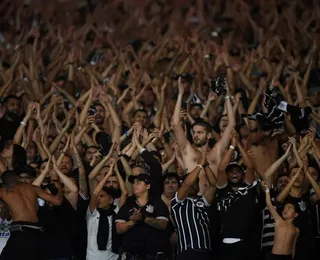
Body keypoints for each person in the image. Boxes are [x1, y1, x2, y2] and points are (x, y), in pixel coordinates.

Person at [0, 170, 63, 260]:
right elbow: (58, 201)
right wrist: (59, 189)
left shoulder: (3, 191)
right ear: (18, 178)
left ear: (3, 182)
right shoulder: (33, 188)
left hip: (20, 234)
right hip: (37, 233)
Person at [171, 152, 216, 260]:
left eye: (195, 182)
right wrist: (199, 165)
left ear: (198, 186)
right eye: (191, 182)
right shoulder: (177, 202)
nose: (192, 185)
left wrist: (206, 166)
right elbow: (187, 184)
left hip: (206, 252)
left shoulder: (203, 201)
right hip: (187, 252)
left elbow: (214, 185)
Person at [116, 173, 169, 260]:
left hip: (153, 255)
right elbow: (118, 229)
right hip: (131, 255)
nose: (134, 185)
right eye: (133, 183)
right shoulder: (128, 204)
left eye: (138, 182)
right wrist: (133, 221)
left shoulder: (158, 203)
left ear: (148, 186)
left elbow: (163, 225)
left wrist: (143, 218)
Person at [262, 181, 300, 260]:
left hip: (288, 257)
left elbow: (293, 247)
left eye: (289, 208)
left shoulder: (296, 230)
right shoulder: (279, 221)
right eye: (285, 208)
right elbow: (269, 204)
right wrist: (267, 189)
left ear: (295, 214)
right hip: (275, 256)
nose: (286, 209)